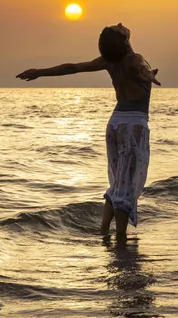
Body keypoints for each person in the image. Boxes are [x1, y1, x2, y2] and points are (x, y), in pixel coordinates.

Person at [16, 23, 161, 237]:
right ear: (123, 39)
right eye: (118, 28)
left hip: (114, 123)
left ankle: (104, 230)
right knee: (126, 183)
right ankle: (121, 237)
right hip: (133, 126)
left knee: (117, 181)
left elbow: (72, 67)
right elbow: (140, 66)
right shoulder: (134, 58)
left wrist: (40, 73)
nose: (121, 24)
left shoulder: (109, 62)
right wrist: (148, 73)